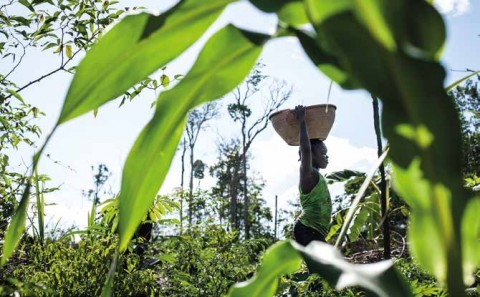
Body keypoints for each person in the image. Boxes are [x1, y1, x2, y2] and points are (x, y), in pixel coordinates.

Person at [293, 105, 332, 246]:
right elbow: (306, 150)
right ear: (312, 155)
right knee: (322, 267)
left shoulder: (319, 177)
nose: (326, 157)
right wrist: (302, 122)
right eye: (323, 153)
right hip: (307, 228)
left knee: (320, 267)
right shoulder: (308, 174)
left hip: (315, 231)